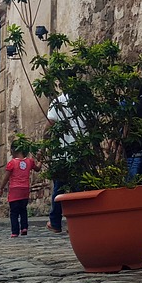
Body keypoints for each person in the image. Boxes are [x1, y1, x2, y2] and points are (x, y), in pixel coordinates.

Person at [43, 93, 82, 234]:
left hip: (62, 153)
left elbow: (49, 125)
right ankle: (78, 223)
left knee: (59, 189)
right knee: (78, 189)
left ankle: (55, 222)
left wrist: (43, 147)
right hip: (80, 152)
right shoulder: (84, 99)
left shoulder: (58, 101)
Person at [0, 145, 39, 238]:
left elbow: (6, 177)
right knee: (23, 210)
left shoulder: (12, 163)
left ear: (13, 151)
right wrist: (40, 161)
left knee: (14, 212)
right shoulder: (29, 161)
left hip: (14, 191)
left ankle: (15, 232)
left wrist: (1, 188)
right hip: (25, 189)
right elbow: (37, 168)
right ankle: (24, 228)